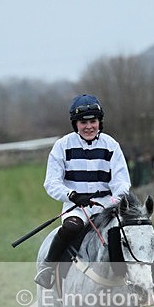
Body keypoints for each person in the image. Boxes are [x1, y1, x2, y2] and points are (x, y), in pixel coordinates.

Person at [35, 94, 131, 288]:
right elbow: (51, 182)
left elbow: (122, 182)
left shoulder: (111, 145)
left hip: (107, 206)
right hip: (76, 207)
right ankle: (48, 268)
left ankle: (138, 277)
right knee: (71, 228)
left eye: (93, 121)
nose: (89, 127)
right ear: (75, 124)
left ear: (99, 122)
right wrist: (71, 195)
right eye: (83, 122)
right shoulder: (62, 146)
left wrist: (113, 203)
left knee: (130, 232)